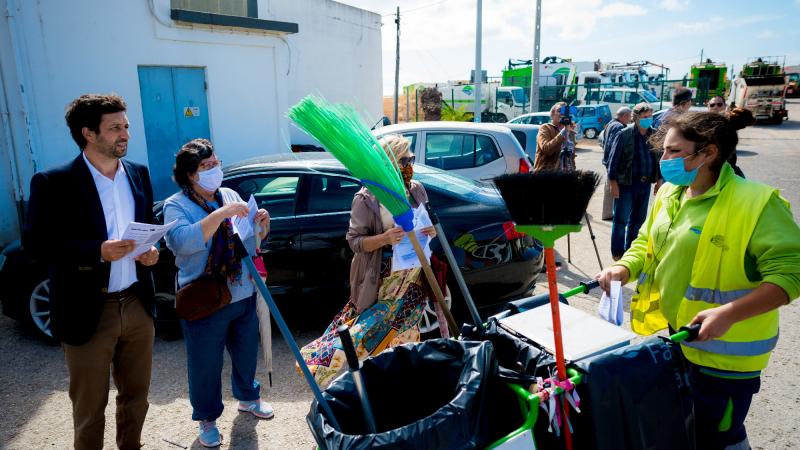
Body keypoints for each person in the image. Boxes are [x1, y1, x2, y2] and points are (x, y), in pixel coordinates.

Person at [596, 109, 800, 450]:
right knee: (690, 429)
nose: (664, 159)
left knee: (718, 437)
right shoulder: (669, 194)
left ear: (708, 153)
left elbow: (791, 273)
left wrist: (729, 313)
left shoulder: (757, 202)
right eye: (663, 150)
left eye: (674, 152)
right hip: (681, 340)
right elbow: (646, 241)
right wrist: (624, 268)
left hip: (727, 360)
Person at [22, 93, 159, 450]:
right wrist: (96, 252)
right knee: (89, 409)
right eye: (114, 128)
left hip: (136, 303)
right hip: (86, 311)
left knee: (137, 400)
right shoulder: (54, 182)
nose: (124, 134)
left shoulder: (139, 174)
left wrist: (151, 252)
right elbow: (36, 245)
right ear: (88, 133)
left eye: (126, 126)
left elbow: (149, 225)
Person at [300, 134, 438, 387]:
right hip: (382, 279)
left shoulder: (415, 189)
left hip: (413, 278)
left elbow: (427, 223)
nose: (410, 165)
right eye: (404, 160)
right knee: (364, 334)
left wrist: (431, 231)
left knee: (405, 337)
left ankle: (398, 386)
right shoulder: (367, 197)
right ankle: (320, 366)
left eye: (412, 158)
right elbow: (355, 242)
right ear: (389, 164)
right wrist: (385, 238)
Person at [164, 138, 272, 448]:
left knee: (245, 352)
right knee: (205, 364)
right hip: (204, 300)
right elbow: (183, 242)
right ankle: (207, 419)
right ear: (190, 175)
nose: (214, 170)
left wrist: (261, 223)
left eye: (216, 164)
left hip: (242, 291)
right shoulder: (176, 205)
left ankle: (248, 397)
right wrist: (221, 214)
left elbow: (249, 241)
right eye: (206, 167)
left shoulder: (228, 193)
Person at [607, 103, 659, 260]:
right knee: (621, 219)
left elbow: (658, 159)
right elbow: (613, 161)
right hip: (626, 184)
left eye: (650, 116)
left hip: (645, 184)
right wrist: (613, 183)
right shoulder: (624, 134)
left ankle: (630, 251)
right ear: (635, 118)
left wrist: (659, 180)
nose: (648, 119)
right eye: (645, 117)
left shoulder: (654, 134)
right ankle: (617, 253)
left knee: (638, 221)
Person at [601, 107, 633, 220]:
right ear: (624, 116)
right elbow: (611, 146)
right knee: (613, 188)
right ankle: (610, 213)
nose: (630, 120)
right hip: (612, 162)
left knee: (608, 187)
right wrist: (612, 163)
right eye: (630, 117)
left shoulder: (611, 123)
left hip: (608, 161)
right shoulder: (618, 127)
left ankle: (607, 213)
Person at [533, 101, 578, 172]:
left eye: (565, 111)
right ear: (552, 114)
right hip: (548, 175)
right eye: (559, 111)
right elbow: (546, 149)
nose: (562, 114)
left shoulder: (570, 132)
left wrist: (573, 171)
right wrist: (563, 132)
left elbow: (571, 157)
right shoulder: (545, 128)